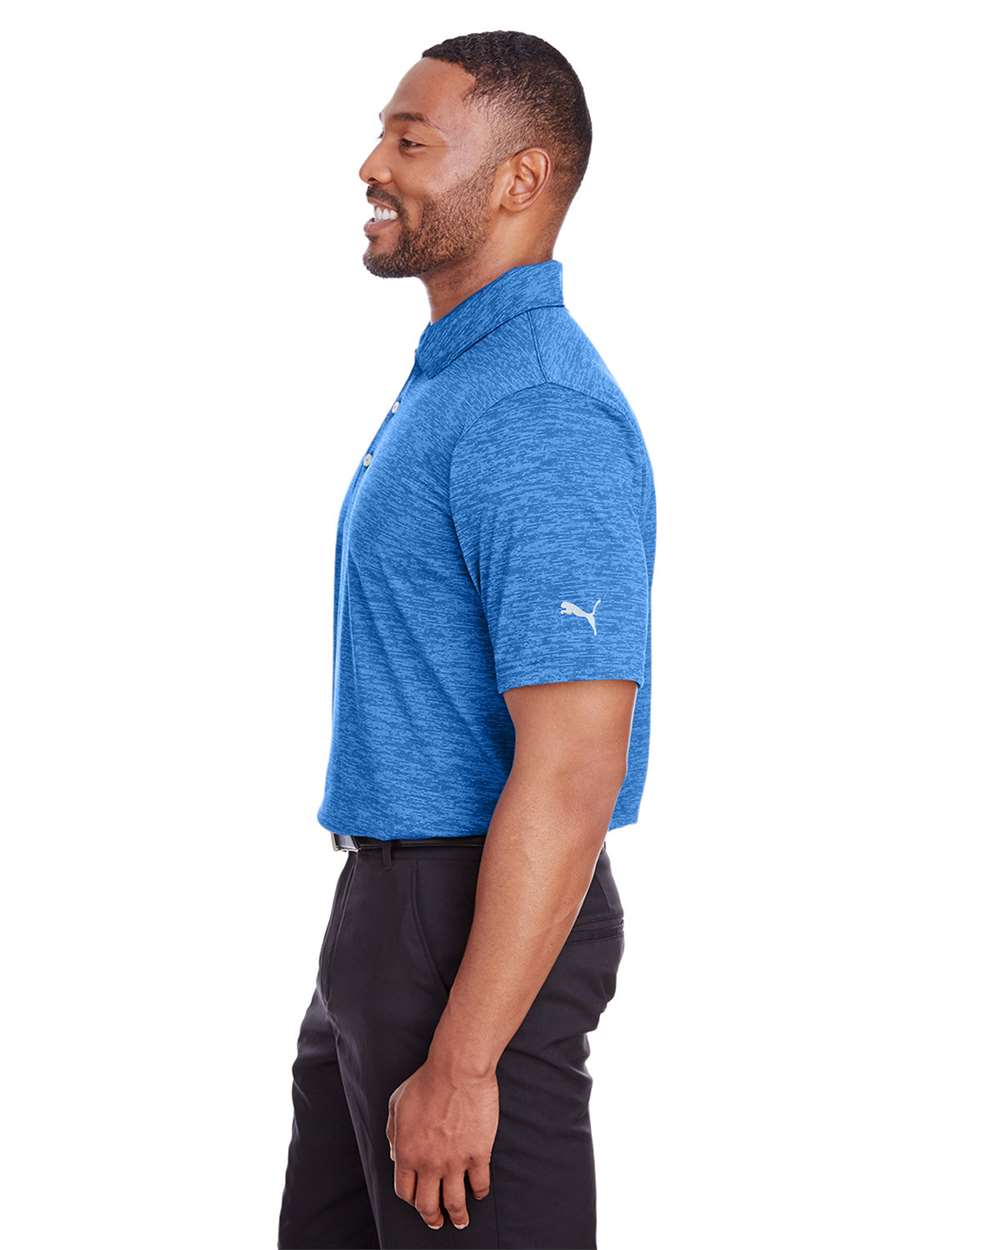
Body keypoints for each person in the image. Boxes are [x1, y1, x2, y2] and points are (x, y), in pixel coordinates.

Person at [278, 30, 656, 1250]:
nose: (371, 166)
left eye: (411, 141)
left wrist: (463, 1057)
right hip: (387, 914)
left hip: (469, 929)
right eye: (381, 135)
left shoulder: (537, 406)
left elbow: (576, 761)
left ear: (517, 180)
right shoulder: (461, 377)